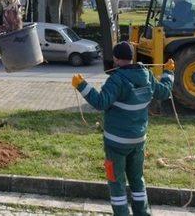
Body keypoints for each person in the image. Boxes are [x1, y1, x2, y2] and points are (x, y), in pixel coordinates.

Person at [72, 42, 174, 216]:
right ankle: (142, 213)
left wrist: (82, 85)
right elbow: (164, 92)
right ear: (132, 57)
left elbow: (100, 102)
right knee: (137, 179)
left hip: (116, 143)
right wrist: (169, 72)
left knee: (116, 181)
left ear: (116, 59)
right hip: (138, 141)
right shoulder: (147, 76)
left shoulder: (116, 79)